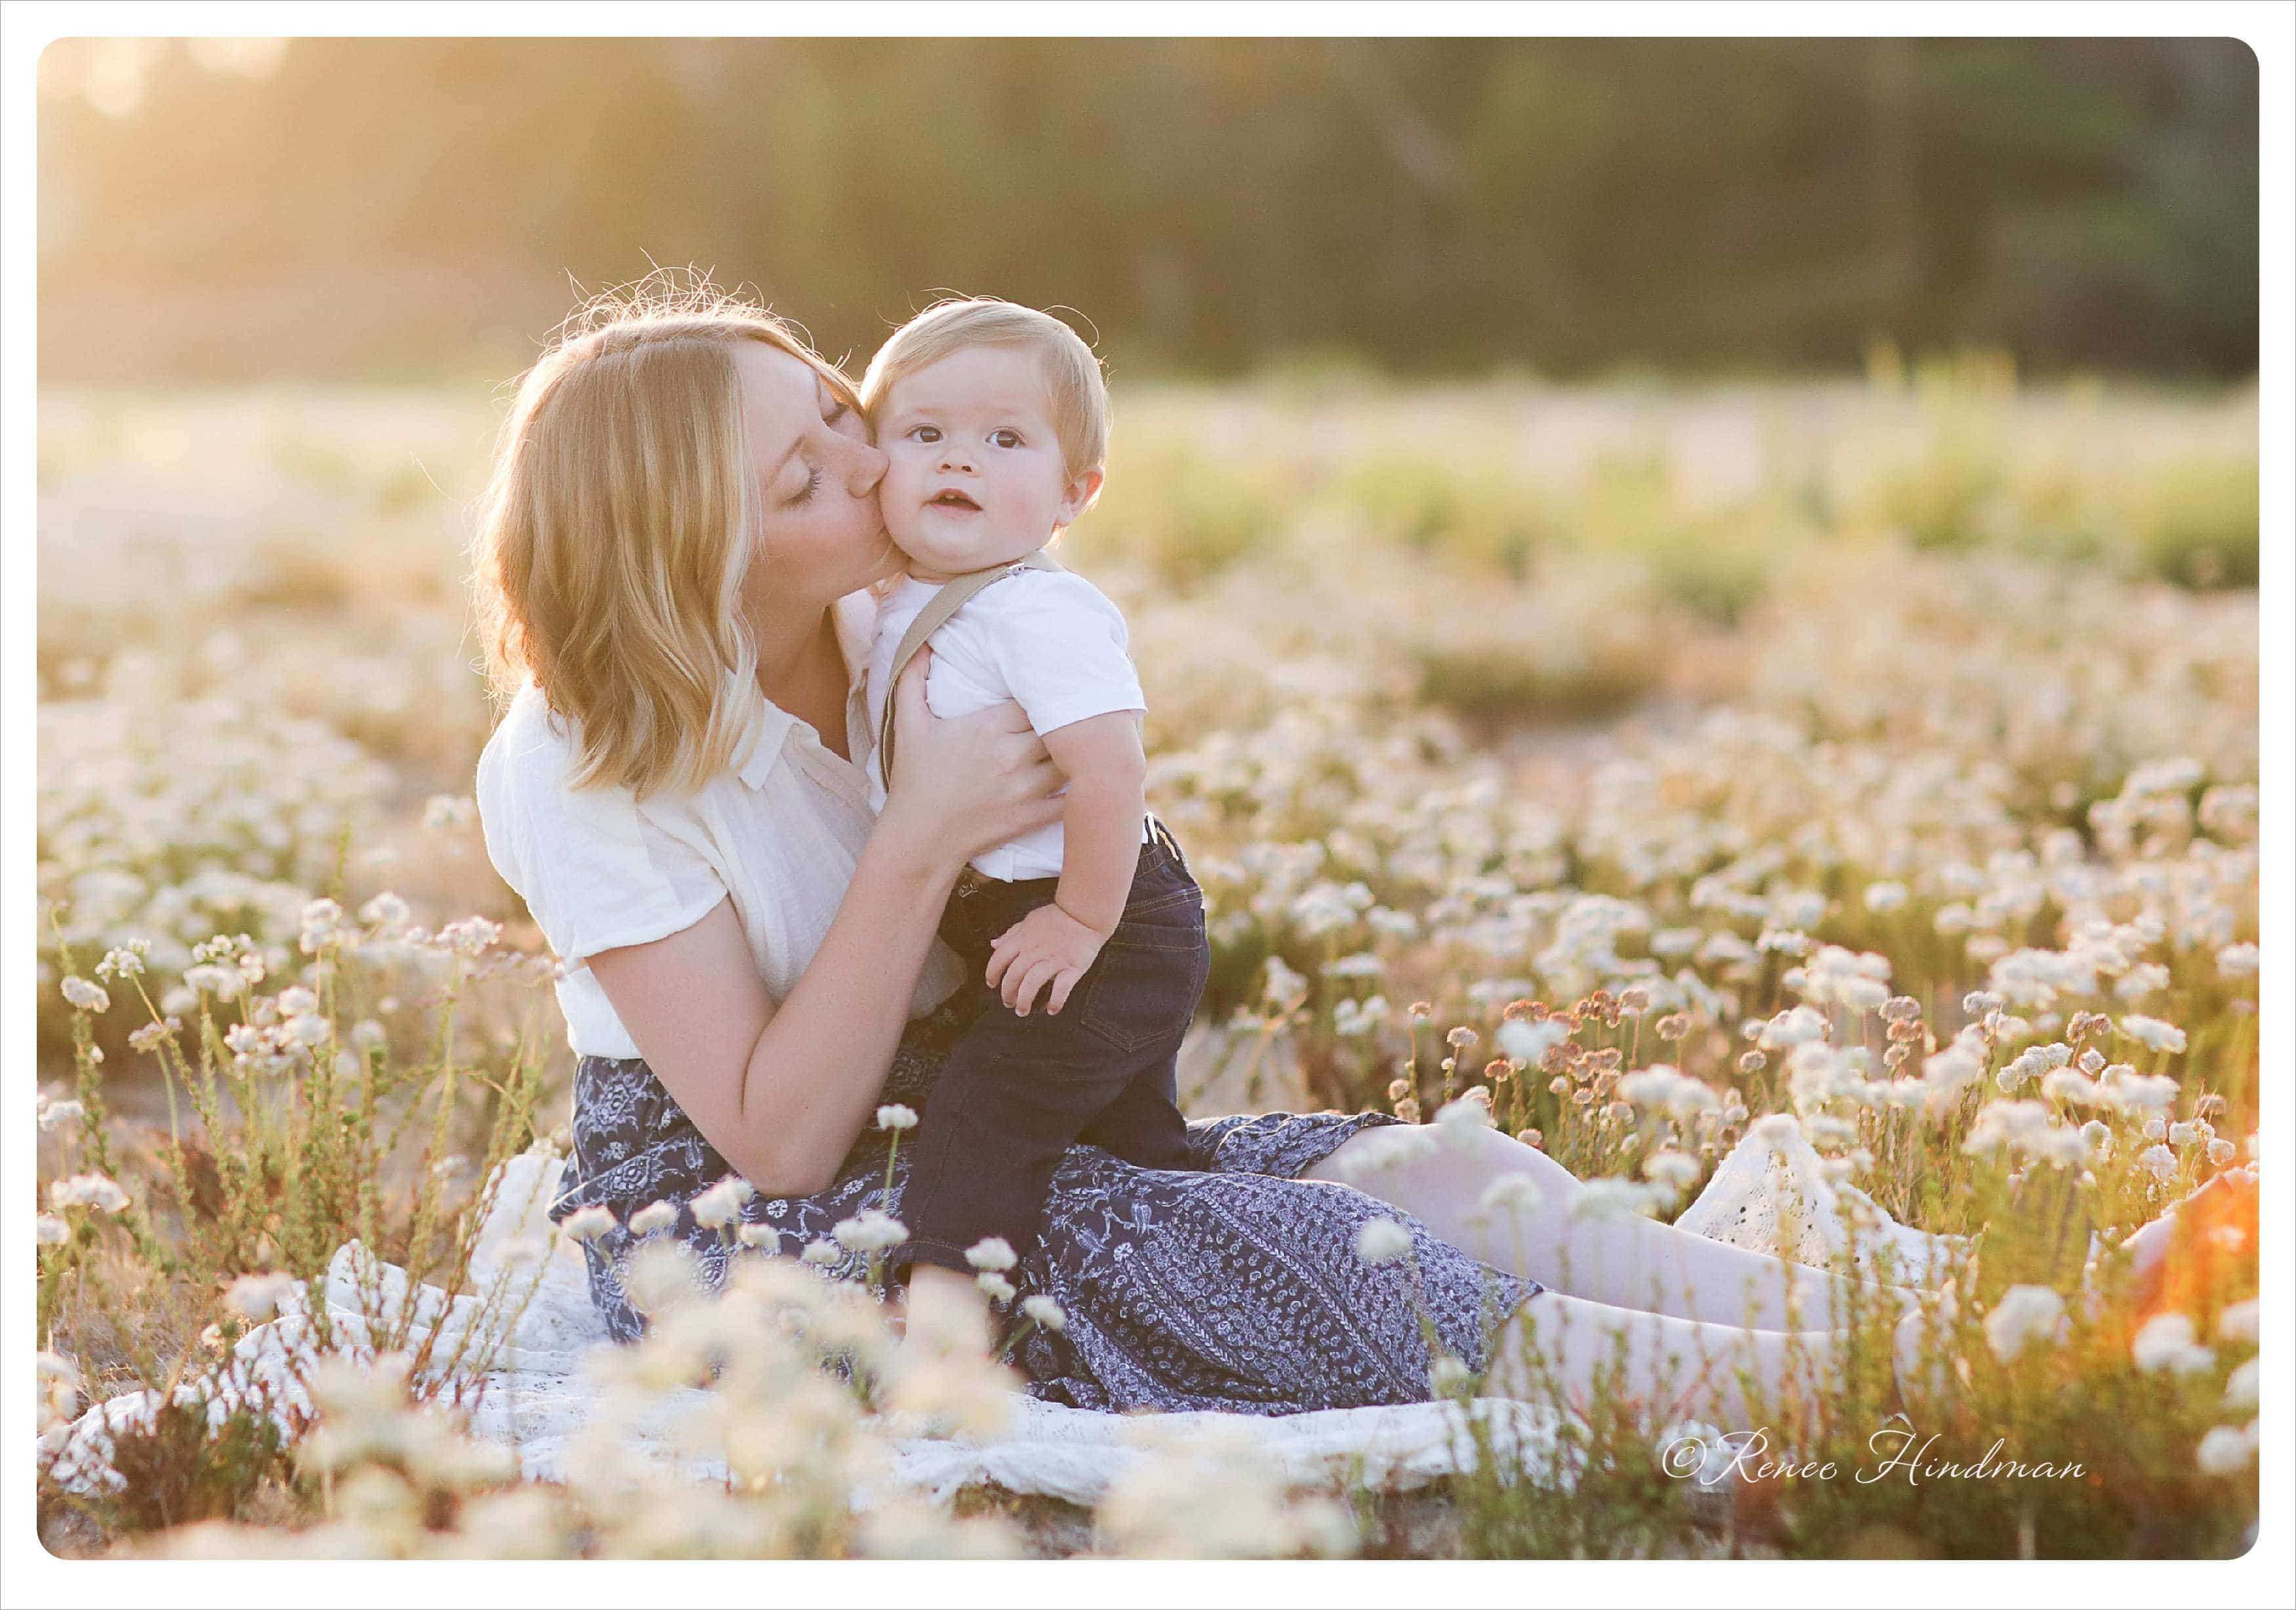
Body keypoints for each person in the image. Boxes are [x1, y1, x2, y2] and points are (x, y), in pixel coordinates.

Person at [469, 276, 2217, 1430]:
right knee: (1315, 1274)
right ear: (688, 553)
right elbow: (774, 1125)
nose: (880, 461)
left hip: (967, 1101)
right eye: (808, 474)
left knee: (1411, 1174)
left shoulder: (889, 629)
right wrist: (919, 840)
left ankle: (2001, 1309)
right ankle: (1938, 1383)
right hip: (755, 1224)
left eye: (847, 410)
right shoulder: (581, 765)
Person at [853, 298, 1205, 1300]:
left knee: (981, 1121)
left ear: (1074, 492)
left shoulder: (1037, 610)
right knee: (1125, 1139)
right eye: (924, 436)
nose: (958, 460)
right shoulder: (906, 594)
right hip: (1030, 914)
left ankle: (945, 1342)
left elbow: (1111, 772)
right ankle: (1198, 1278)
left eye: (1005, 440)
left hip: (1099, 916)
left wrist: (1082, 919)